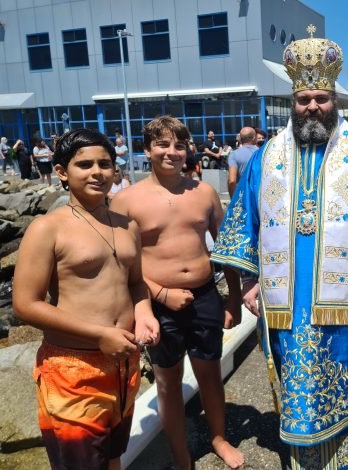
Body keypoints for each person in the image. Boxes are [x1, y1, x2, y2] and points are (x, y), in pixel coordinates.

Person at [211, 28, 348, 468]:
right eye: (304, 98)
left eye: (321, 98)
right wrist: (250, 282)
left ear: (335, 101)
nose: (312, 106)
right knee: (301, 396)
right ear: (293, 102)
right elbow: (243, 221)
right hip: (287, 304)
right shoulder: (267, 155)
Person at [12, 128, 159, 470]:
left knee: (111, 457)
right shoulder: (48, 228)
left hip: (124, 364)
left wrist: (146, 313)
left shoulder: (127, 226)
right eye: (85, 164)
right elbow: (26, 304)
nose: (97, 172)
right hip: (73, 370)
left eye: (105, 164)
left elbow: (136, 283)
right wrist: (98, 334)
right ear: (62, 171)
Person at [110, 116, 244, 470]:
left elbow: (226, 248)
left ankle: (218, 437)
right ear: (147, 149)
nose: (171, 152)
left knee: (209, 373)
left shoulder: (203, 192)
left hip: (204, 296)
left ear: (188, 150)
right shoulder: (126, 201)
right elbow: (122, 264)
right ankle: (181, 455)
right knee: (168, 382)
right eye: (162, 145)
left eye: (179, 145)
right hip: (156, 304)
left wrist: (232, 297)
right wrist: (160, 296)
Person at [227, 127, 258, 197]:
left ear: (240, 139)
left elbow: (232, 181)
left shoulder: (234, 154)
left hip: (244, 196)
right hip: (260, 196)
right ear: (254, 138)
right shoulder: (262, 153)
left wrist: (233, 199)